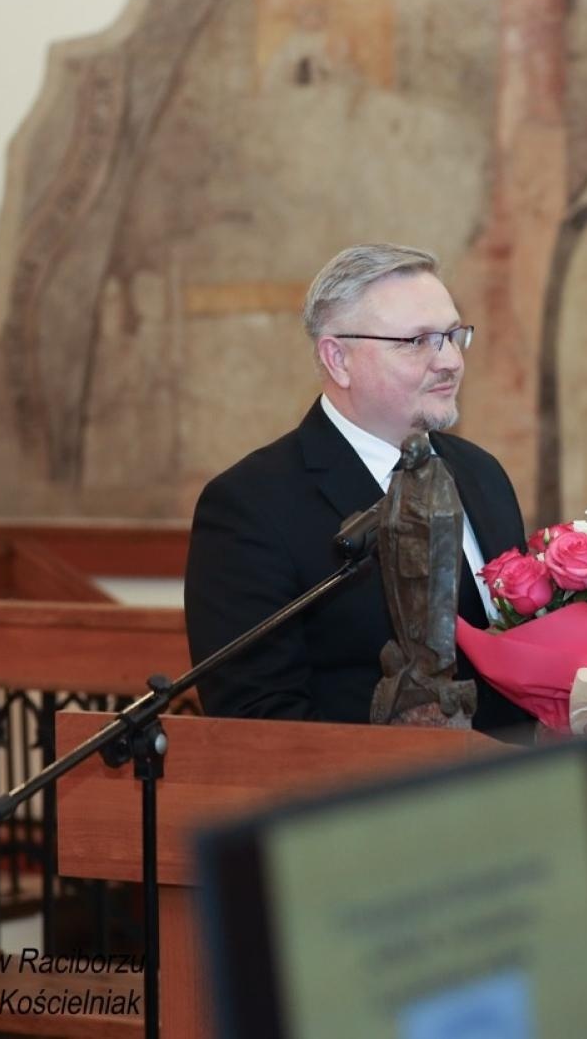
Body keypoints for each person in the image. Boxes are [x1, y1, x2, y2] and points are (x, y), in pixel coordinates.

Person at [183, 243, 533, 738]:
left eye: (454, 336)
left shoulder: (482, 474)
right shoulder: (250, 504)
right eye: (417, 342)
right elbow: (256, 716)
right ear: (338, 359)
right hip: (365, 804)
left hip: (513, 794)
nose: (450, 361)